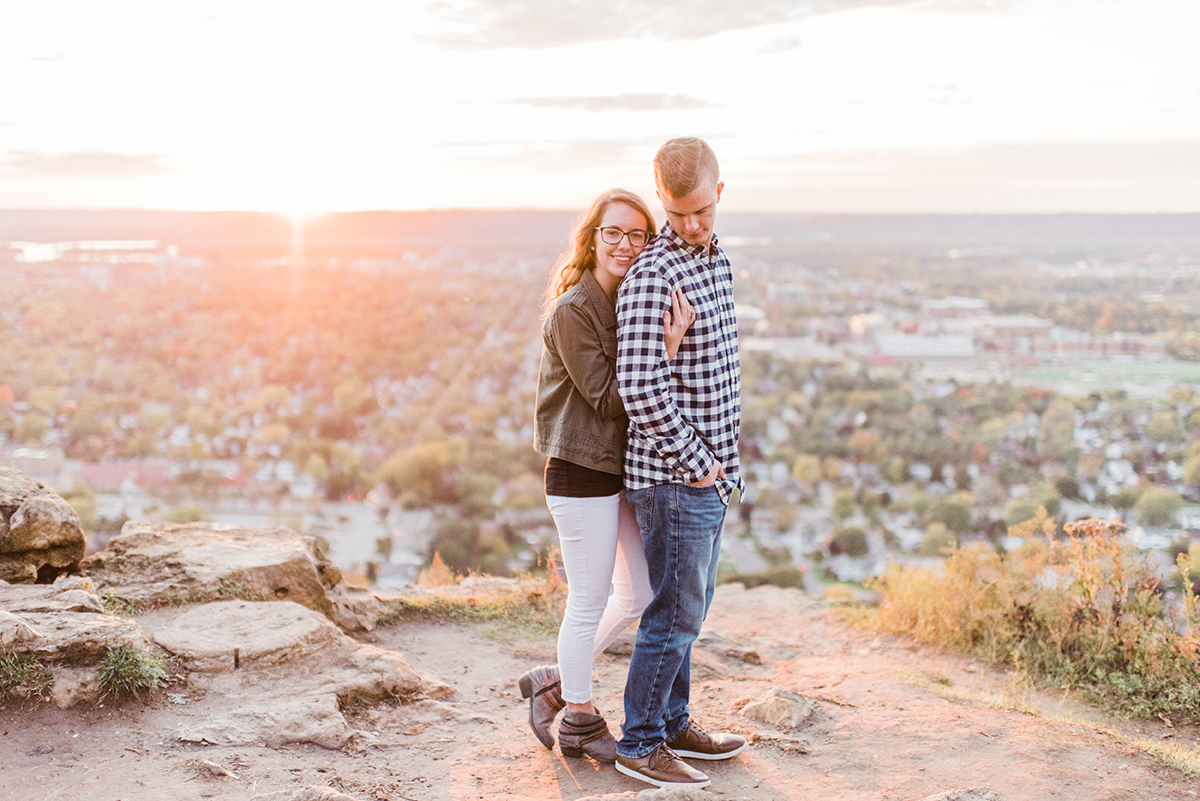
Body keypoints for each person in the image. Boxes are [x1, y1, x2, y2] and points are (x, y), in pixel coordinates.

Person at [518, 188, 695, 763]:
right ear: (592, 237)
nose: (625, 244)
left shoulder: (624, 300)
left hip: (611, 473)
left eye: (638, 235)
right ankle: (580, 718)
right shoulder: (574, 309)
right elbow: (606, 398)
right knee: (590, 599)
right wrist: (664, 352)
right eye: (613, 233)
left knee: (641, 592)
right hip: (577, 473)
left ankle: (555, 678)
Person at [612, 138, 747, 789]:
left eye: (698, 210)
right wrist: (697, 463)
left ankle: (672, 721)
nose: (689, 224)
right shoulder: (653, 273)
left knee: (691, 607)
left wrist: (724, 470)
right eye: (676, 211)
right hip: (673, 477)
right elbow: (639, 387)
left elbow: (717, 375)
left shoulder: (716, 264)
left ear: (719, 194)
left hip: (710, 477)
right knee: (673, 613)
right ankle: (639, 741)